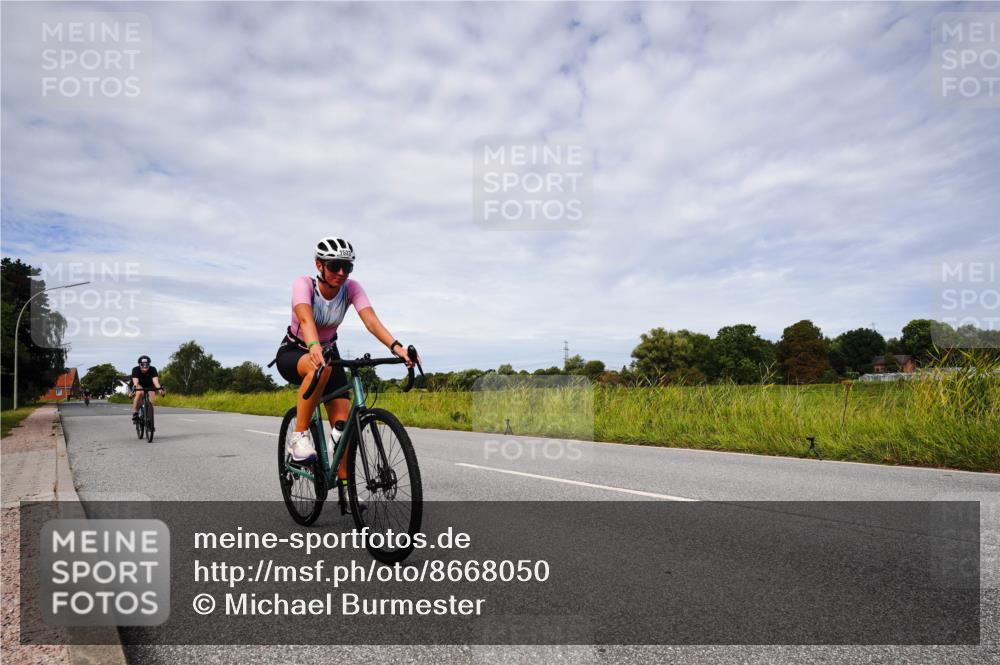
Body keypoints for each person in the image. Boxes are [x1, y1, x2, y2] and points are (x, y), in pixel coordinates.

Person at [272, 236, 418, 486]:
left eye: (347, 267)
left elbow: (371, 321)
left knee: (343, 426)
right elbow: (306, 320)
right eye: (334, 266)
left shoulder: (352, 288)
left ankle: (345, 489)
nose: (341, 272)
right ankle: (299, 437)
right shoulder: (303, 284)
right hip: (295, 351)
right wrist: (314, 345)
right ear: (319, 265)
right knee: (321, 366)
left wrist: (397, 347)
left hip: (328, 354)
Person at [130, 355, 165, 420]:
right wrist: (133, 391)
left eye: (147, 364)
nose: (145, 366)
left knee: (151, 402)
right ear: (139, 364)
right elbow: (136, 383)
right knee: (140, 392)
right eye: (143, 364)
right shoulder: (135, 369)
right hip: (138, 385)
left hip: (149, 385)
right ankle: (135, 412)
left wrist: (160, 390)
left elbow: (156, 382)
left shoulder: (153, 369)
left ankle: (150, 420)